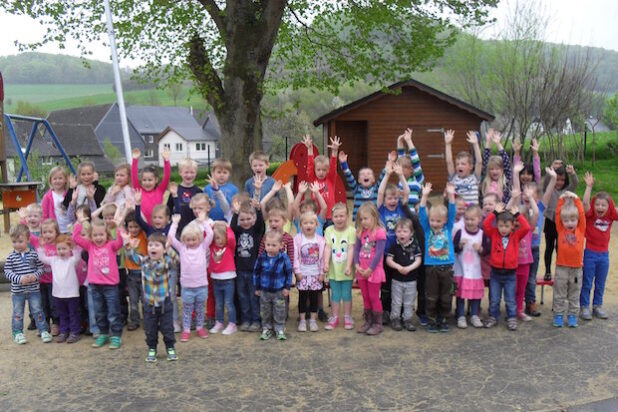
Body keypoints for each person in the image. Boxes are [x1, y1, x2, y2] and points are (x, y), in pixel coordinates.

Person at [72, 212, 125, 349]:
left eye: (101, 235)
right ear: (91, 236)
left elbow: (120, 241)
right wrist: (79, 223)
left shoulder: (111, 246)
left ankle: (116, 335)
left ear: (107, 235)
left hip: (110, 286)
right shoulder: (90, 246)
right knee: (99, 312)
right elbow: (76, 238)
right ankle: (103, 333)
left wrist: (119, 227)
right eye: (95, 235)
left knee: (113, 312)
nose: (98, 238)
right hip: (95, 286)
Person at [123, 232, 178, 362]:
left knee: (167, 329)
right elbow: (132, 257)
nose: (153, 248)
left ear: (163, 249)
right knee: (150, 330)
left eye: (157, 245)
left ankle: (170, 347)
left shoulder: (167, 261)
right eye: (150, 245)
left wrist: (169, 249)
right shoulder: (144, 261)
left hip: (165, 304)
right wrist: (128, 246)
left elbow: (176, 260)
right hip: (149, 304)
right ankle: (152, 348)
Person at [482, 203, 530, 330]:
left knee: (510, 299)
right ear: (497, 225)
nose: (503, 229)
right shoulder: (494, 234)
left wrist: (517, 215)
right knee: (494, 298)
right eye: (501, 225)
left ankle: (512, 317)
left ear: (512, 226)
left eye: (506, 226)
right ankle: (493, 316)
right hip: (496, 274)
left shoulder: (516, 236)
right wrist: (495, 213)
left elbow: (526, 227)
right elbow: (485, 225)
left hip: (510, 274)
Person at [167, 212, 213, 341]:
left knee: (200, 309)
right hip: (187, 287)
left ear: (199, 238)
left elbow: (210, 234)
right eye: (188, 240)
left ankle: (199, 327)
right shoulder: (182, 248)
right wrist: (175, 224)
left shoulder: (203, 247)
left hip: (201, 286)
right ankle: (186, 329)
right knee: (187, 310)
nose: (191, 242)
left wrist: (203, 221)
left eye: (194, 239)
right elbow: (171, 238)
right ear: (183, 240)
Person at [418, 182, 456, 332]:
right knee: (432, 295)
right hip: (431, 268)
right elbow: (422, 212)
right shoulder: (427, 229)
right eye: (432, 220)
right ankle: (432, 320)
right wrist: (425, 195)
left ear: (445, 221)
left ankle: (444, 319)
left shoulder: (448, 227)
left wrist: (451, 195)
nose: (435, 223)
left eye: (438, 221)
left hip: (447, 267)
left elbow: (452, 210)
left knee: (446, 295)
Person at [4, 224, 51, 344]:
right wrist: (18, 278)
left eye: (20, 241)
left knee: (37, 310)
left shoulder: (34, 254)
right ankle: (18, 333)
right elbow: (7, 272)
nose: (17, 244)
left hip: (33, 290)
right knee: (18, 312)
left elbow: (40, 268)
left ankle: (43, 330)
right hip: (18, 291)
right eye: (14, 242)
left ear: (28, 240)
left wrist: (35, 275)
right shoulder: (11, 257)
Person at [580, 172, 618, 320]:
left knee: (600, 282)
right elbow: (584, 204)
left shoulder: (610, 215)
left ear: (609, 207)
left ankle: (597, 306)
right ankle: (584, 307)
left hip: (604, 255)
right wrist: (589, 187)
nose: (600, 207)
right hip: (590, 253)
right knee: (587, 281)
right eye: (597, 204)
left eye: (603, 205)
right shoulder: (590, 215)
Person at [377, 161, 410, 324]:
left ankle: (401, 311)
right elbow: (380, 191)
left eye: (395, 198)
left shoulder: (401, 209)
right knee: (386, 284)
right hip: (384, 253)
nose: (393, 200)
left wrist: (401, 175)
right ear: (385, 200)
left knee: (398, 284)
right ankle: (385, 310)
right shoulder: (381, 210)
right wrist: (388, 174)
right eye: (390, 198)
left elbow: (407, 192)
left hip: (399, 254)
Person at [36, 234, 82, 343]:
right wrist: (41, 247)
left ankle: (75, 332)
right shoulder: (54, 260)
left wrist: (74, 247)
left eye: (64, 248)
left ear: (69, 249)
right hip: (58, 294)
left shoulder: (72, 260)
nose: (61, 251)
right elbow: (42, 258)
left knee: (73, 313)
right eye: (59, 248)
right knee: (62, 314)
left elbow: (77, 256)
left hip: (72, 294)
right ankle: (63, 331)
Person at [230, 199, 265, 332]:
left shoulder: (256, 232)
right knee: (242, 296)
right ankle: (245, 319)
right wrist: (236, 213)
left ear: (253, 218)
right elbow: (232, 227)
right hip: (240, 270)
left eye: (248, 219)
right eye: (242, 219)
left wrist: (258, 210)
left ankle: (256, 320)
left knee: (253, 296)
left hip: (253, 271)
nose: (245, 222)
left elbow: (261, 225)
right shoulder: (238, 231)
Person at [553, 192, 586, 328]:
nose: (569, 223)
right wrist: (561, 199)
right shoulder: (561, 230)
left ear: (577, 220)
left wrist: (576, 199)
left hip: (576, 269)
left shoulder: (581, 230)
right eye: (566, 220)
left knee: (574, 293)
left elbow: (582, 214)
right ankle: (559, 315)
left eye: (573, 220)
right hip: (562, 267)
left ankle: (572, 315)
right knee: (559, 293)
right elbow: (557, 215)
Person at [253, 230, 293, 341]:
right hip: (265, 291)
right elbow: (256, 272)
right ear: (265, 244)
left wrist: (287, 287)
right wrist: (257, 287)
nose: (270, 247)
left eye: (274, 245)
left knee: (279, 310)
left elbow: (289, 273)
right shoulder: (261, 258)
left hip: (279, 291)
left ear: (281, 245)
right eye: (268, 245)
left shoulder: (284, 258)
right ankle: (267, 328)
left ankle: (279, 328)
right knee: (265, 310)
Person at [354, 202, 387, 336]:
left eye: (366, 218)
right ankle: (368, 321)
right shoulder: (360, 232)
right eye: (361, 219)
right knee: (365, 297)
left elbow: (379, 254)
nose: (363, 222)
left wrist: (370, 269)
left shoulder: (379, 233)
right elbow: (356, 250)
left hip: (374, 272)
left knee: (374, 297)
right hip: (361, 271)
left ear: (374, 217)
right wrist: (356, 265)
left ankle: (377, 323)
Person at [542, 161, 578, 281]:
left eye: (562, 180)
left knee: (560, 247)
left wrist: (572, 173)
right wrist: (552, 168)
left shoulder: (567, 191)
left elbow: (575, 183)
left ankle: (560, 271)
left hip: (562, 223)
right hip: (550, 221)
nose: (559, 182)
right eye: (557, 179)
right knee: (549, 247)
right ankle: (547, 271)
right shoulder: (550, 188)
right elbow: (546, 181)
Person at [385, 218, 422, 331]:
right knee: (396, 300)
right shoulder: (394, 246)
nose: (402, 234)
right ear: (395, 232)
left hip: (411, 280)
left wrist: (409, 268)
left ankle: (407, 319)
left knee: (409, 301)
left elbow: (418, 260)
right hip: (397, 280)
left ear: (411, 233)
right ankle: (395, 318)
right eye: (399, 231)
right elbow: (389, 260)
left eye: (405, 231)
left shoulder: (415, 246)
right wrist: (398, 267)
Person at [323, 203, 356, 330]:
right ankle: (334, 317)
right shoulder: (329, 230)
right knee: (335, 295)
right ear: (332, 218)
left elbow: (351, 248)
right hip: (333, 270)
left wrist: (348, 266)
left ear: (347, 216)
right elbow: (327, 247)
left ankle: (347, 316)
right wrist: (326, 263)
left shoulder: (351, 231)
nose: (339, 219)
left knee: (347, 294)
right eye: (336, 216)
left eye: (342, 216)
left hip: (346, 270)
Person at [452, 205, 486, 329]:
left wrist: (481, 249)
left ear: (479, 220)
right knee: (461, 294)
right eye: (467, 219)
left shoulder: (482, 234)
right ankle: (460, 315)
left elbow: (487, 250)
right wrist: (460, 245)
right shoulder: (461, 232)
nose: (469, 222)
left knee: (475, 295)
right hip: (461, 270)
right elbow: (454, 248)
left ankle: (474, 315)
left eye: (472, 219)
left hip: (475, 271)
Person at [293, 211, 326, 332]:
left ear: (316, 225)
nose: (308, 225)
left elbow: (322, 258)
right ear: (301, 225)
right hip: (302, 273)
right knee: (302, 297)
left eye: (311, 223)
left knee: (314, 298)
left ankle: (312, 320)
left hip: (315, 274)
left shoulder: (320, 240)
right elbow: (295, 257)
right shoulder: (297, 239)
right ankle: (302, 321)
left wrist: (322, 273)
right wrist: (297, 272)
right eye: (305, 223)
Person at [303, 134, 340, 221]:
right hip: (317, 216)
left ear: (327, 170)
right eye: (318, 170)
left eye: (324, 170)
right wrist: (309, 149)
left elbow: (333, 166)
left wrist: (334, 151)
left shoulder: (330, 179)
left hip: (330, 217)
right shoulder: (313, 179)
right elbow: (310, 165)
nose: (321, 172)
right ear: (315, 170)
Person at [209, 222, 238, 335]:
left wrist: (227, 227)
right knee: (219, 303)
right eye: (217, 238)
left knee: (228, 302)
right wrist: (212, 226)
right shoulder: (212, 246)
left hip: (228, 279)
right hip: (216, 279)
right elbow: (206, 235)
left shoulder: (229, 247)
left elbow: (231, 238)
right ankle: (219, 322)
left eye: (222, 238)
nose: (220, 241)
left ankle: (232, 324)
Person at [131, 147, 171, 224]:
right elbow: (134, 176)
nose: (147, 183)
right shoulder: (139, 190)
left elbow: (167, 176)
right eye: (144, 180)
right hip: (142, 225)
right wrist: (135, 160)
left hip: (158, 224)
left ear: (156, 180)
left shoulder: (160, 190)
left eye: (150, 180)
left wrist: (166, 161)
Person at [123, 211, 148, 331]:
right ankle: (134, 320)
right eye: (130, 227)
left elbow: (145, 222)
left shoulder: (144, 235)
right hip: (131, 274)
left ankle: (148, 319)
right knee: (133, 300)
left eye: (136, 226)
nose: (133, 229)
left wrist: (137, 207)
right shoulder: (126, 237)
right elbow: (118, 225)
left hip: (144, 273)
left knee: (145, 300)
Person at [444, 129, 482, 205]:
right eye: (457, 164)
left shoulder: (475, 178)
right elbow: (449, 162)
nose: (459, 166)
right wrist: (448, 144)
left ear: (471, 166)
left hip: (472, 212)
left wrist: (475, 144)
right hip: (458, 212)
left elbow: (479, 162)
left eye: (463, 164)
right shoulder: (454, 178)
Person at [167, 158, 202, 232]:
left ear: (196, 173)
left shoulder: (198, 191)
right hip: (178, 229)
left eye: (192, 172)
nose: (189, 175)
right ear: (180, 172)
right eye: (186, 172)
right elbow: (169, 208)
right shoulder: (175, 190)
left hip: (195, 229)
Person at [480, 129, 512, 203]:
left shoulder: (505, 181)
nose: (494, 171)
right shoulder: (486, 180)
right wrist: (488, 142)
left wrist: (498, 144)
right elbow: (485, 160)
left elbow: (506, 162)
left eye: (497, 169)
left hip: (502, 212)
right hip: (489, 213)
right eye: (492, 169)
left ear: (502, 169)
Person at [41, 166, 72, 233]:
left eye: (60, 178)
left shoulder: (70, 194)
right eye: (55, 179)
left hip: (70, 229)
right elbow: (44, 215)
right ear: (51, 181)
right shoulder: (47, 197)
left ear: (66, 180)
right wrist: (45, 230)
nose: (57, 181)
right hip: (55, 231)